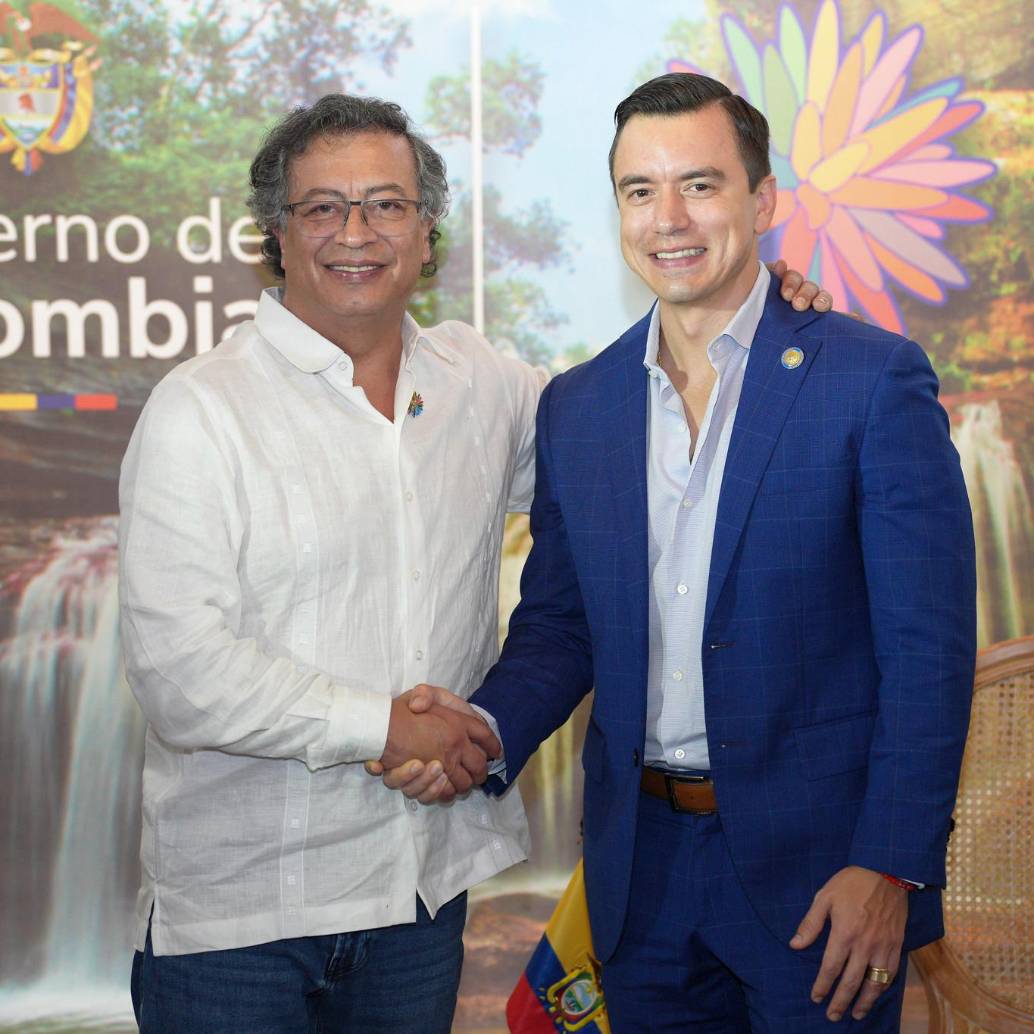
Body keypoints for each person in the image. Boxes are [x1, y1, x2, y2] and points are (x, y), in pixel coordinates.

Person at [119, 91, 825, 1032]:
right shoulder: (199, 411)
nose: (356, 232)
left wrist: (767, 311)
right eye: (322, 207)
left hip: (420, 898)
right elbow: (179, 673)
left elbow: (642, 425)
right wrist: (381, 726)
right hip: (241, 920)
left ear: (426, 234)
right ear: (276, 234)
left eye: (387, 203)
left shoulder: (484, 385)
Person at [379, 73, 976, 1031]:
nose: (670, 219)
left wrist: (893, 863)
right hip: (640, 877)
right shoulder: (579, 406)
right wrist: (481, 732)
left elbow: (929, 653)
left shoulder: (870, 381)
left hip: (825, 882)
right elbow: (564, 625)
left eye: (700, 184)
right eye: (639, 190)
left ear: (763, 199)